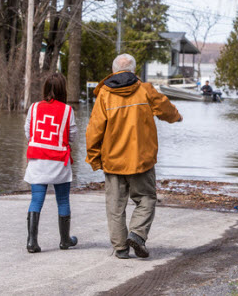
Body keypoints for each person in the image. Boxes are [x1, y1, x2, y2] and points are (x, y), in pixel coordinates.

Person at [86, 54, 182, 259]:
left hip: (112, 160)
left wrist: (95, 158)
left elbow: (94, 129)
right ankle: (137, 233)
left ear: (114, 71)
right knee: (146, 199)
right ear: (133, 70)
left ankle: (120, 248)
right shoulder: (145, 90)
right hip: (141, 159)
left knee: (115, 206)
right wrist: (177, 116)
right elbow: (166, 108)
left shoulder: (104, 94)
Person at [24, 72, 78, 253]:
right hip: (58, 163)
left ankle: (32, 242)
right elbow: (72, 136)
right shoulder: (67, 110)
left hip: (37, 160)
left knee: (36, 200)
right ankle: (65, 241)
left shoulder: (33, 107)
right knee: (62, 200)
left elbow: (28, 131)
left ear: (45, 88)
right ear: (63, 90)